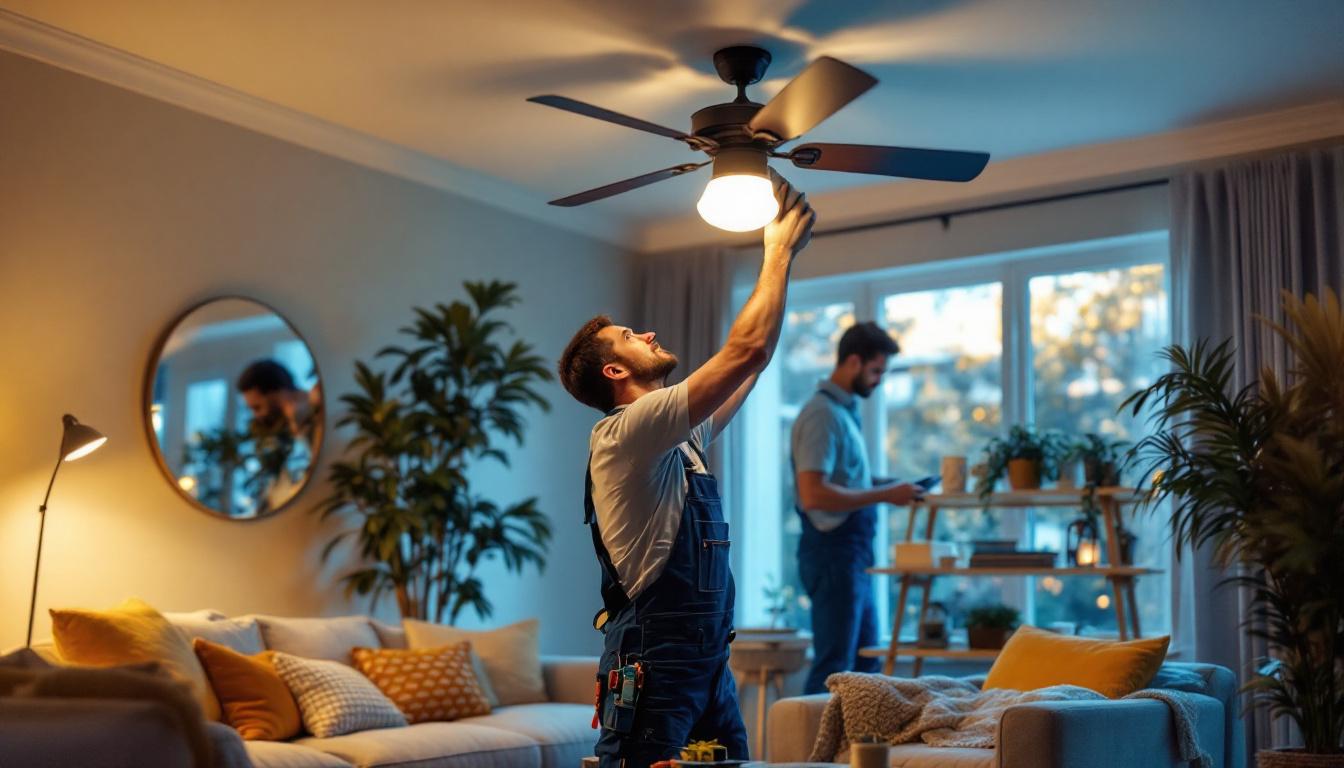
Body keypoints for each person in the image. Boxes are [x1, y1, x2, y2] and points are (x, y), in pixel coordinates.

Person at [557, 173, 815, 767]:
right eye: (630, 337)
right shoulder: (625, 433)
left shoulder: (680, 438)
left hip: (706, 660)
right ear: (615, 374)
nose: (646, 333)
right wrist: (774, 249)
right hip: (654, 661)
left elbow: (754, 360)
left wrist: (786, 261)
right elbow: (743, 351)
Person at [791, 321, 921, 694]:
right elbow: (813, 493)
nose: (879, 380)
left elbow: (844, 482)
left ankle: (856, 755)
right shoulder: (822, 415)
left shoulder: (843, 413)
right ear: (852, 362)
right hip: (833, 554)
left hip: (852, 556)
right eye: (876, 370)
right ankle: (809, 754)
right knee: (834, 665)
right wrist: (883, 495)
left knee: (866, 663)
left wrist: (892, 486)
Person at [236, 359, 322, 448]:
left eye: (257, 407)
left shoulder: (314, 406)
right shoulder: (290, 424)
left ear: (274, 393)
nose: (256, 415)